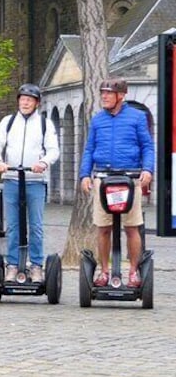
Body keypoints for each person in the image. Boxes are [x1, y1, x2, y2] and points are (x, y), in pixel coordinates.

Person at [78, 76, 154, 288]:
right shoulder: (97, 120)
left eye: (108, 93)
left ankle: (132, 272)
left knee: (132, 227)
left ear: (121, 95)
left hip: (130, 178)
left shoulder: (137, 117)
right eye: (102, 93)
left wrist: (147, 170)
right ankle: (104, 270)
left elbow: (147, 146)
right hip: (103, 178)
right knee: (103, 227)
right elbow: (89, 149)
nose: (104, 96)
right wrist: (85, 174)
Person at [0, 83, 60, 283]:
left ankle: (36, 266)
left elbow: (54, 150)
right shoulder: (8, 122)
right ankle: (12, 265)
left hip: (35, 181)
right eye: (22, 99)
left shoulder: (45, 124)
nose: (25, 103)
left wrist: (43, 162)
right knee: (12, 225)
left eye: (29, 100)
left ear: (37, 103)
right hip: (11, 180)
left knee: (35, 225)